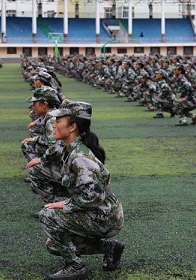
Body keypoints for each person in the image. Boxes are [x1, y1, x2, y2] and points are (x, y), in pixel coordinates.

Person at [39, 100, 124, 280]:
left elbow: (93, 196)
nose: (54, 124)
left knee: (48, 215)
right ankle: (109, 247)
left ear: (72, 127)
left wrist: (65, 204)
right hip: (97, 211)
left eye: (59, 120)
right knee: (54, 244)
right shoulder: (71, 148)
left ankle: (76, 268)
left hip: (104, 216)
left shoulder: (80, 157)